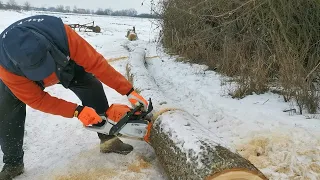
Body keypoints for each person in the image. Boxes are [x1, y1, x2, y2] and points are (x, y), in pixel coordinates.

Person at [0, 15, 148, 179]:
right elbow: (37, 99)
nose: (46, 76)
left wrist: (128, 90)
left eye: (45, 69)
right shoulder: (6, 67)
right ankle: (13, 163)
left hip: (61, 61)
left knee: (92, 86)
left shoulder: (62, 35)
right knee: (7, 112)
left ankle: (108, 139)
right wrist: (77, 111)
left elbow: (96, 64)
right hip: (21, 77)